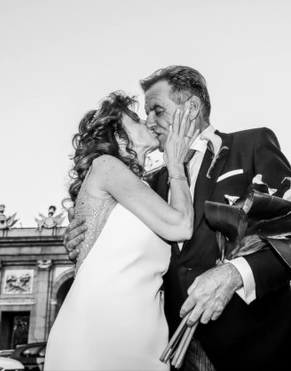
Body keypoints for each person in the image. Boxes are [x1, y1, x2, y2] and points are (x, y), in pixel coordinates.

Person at [64, 65, 291, 371]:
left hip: (254, 346)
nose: (149, 121)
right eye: (145, 114)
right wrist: (86, 236)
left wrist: (234, 274)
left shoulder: (251, 144)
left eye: (156, 109)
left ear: (191, 107)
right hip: (171, 351)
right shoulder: (150, 183)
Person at [44, 91, 200, 371]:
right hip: (99, 334)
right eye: (137, 120)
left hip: (147, 338)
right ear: (117, 135)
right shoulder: (105, 166)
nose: (149, 122)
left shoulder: (145, 187)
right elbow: (180, 226)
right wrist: (176, 163)